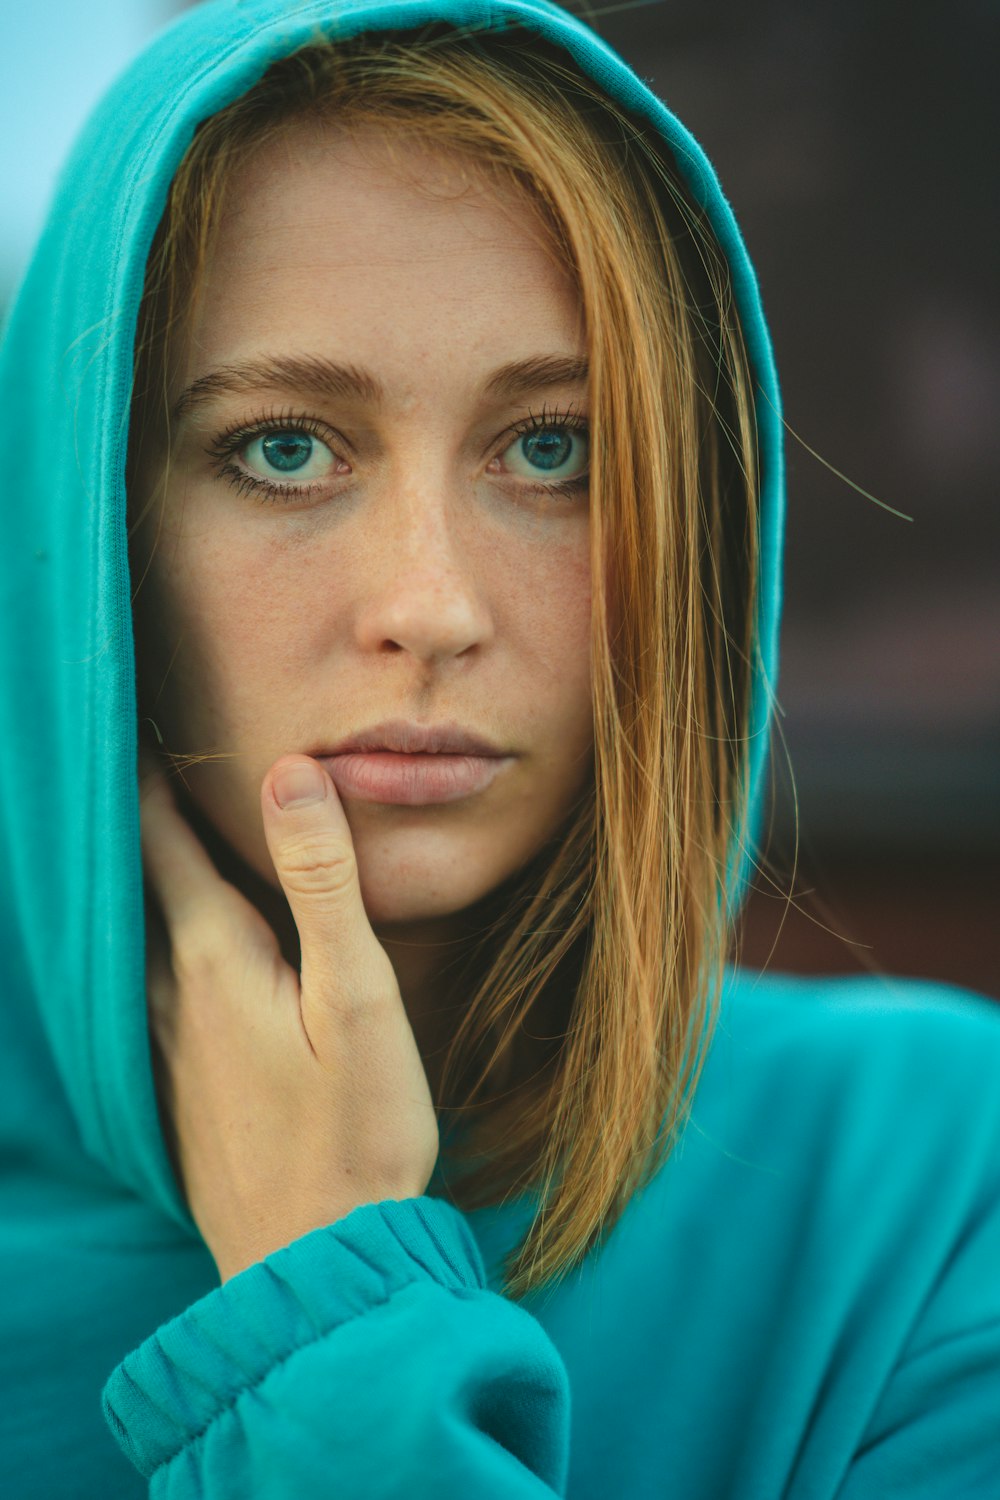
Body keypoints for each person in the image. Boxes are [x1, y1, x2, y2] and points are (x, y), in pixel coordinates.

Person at [0, 0, 997, 1494]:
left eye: (554, 449)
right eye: (285, 448)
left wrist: (326, 1299)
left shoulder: (923, 1181)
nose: (433, 609)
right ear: (84, 529)